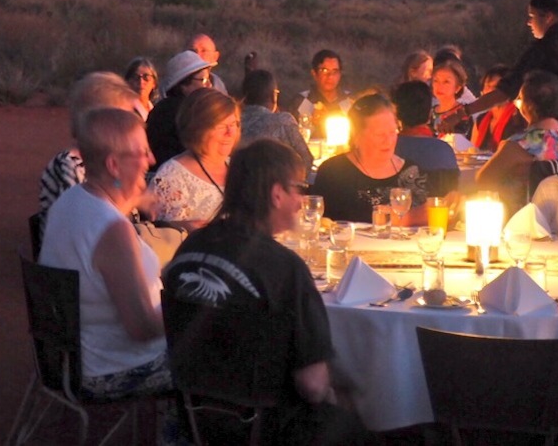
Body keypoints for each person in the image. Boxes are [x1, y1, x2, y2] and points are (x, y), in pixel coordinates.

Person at [163, 140, 371, 445]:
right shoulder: (286, 270)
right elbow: (312, 386)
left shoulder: (189, 248)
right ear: (276, 194)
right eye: (297, 189)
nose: (301, 200)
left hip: (193, 415)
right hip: (266, 426)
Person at [39, 107, 171, 400]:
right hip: (112, 370)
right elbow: (142, 327)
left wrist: (135, 194)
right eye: (143, 152)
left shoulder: (70, 201)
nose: (151, 159)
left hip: (71, 359)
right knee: (219, 353)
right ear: (113, 165)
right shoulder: (112, 231)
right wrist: (193, 309)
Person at [441, 0, 558, 131]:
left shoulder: (544, 48)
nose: (529, 23)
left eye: (532, 16)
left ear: (548, 18)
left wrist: (462, 113)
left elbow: (505, 91)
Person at [37, 72, 141, 235]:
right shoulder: (70, 165)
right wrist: (136, 198)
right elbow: (88, 224)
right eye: (122, 121)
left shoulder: (107, 161)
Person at [312, 94, 429, 223]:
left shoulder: (411, 172)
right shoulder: (333, 173)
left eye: (392, 132)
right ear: (356, 136)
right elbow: (322, 225)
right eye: (380, 134)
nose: (388, 141)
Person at [151, 88, 239, 231]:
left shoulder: (238, 168)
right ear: (198, 128)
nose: (230, 133)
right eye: (221, 125)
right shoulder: (172, 176)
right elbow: (163, 236)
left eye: (234, 124)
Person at [476, 70, 558, 210]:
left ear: (527, 106)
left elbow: (483, 180)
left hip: (522, 219)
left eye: (519, 100)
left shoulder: (517, 145)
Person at [146, 50, 215, 167]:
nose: (209, 85)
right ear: (183, 85)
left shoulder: (162, 108)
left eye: (209, 79)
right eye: (203, 80)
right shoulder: (184, 114)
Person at [392, 81, 459, 197]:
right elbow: (452, 192)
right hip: (438, 212)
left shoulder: (389, 148)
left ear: (396, 113)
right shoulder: (443, 150)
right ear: (429, 114)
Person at [238, 69, 314, 171]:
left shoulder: (233, 122)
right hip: (276, 183)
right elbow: (306, 160)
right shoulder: (283, 121)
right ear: (273, 96)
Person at [285, 49, 352, 134]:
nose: (330, 76)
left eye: (335, 71)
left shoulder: (349, 100)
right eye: (324, 70)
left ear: (340, 74)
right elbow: (291, 135)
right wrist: (311, 121)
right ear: (314, 73)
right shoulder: (302, 101)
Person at [470, 65, 525, 152]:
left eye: (496, 88)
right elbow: (472, 151)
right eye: (488, 86)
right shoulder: (481, 120)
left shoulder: (518, 118)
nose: (491, 91)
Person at [430, 57, 471, 137]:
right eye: (436, 81)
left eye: (446, 82)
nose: (439, 86)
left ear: (457, 88)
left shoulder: (463, 113)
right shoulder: (430, 113)